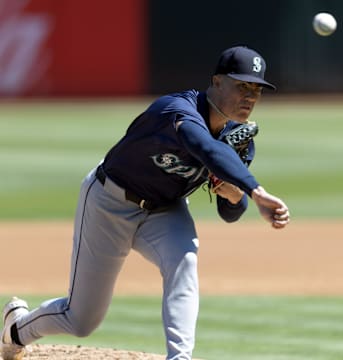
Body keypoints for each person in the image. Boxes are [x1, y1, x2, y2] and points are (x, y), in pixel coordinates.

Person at [1, 45, 290, 360]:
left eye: (257, 90)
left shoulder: (240, 140)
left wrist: (235, 194)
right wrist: (255, 189)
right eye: (242, 86)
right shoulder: (177, 110)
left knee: (185, 263)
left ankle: (180, 357)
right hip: (109, 201)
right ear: (217, 82)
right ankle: (16, 328)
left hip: (166, 210)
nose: (250, 96)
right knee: (81, 320)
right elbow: (203, 146)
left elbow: (231, 212)